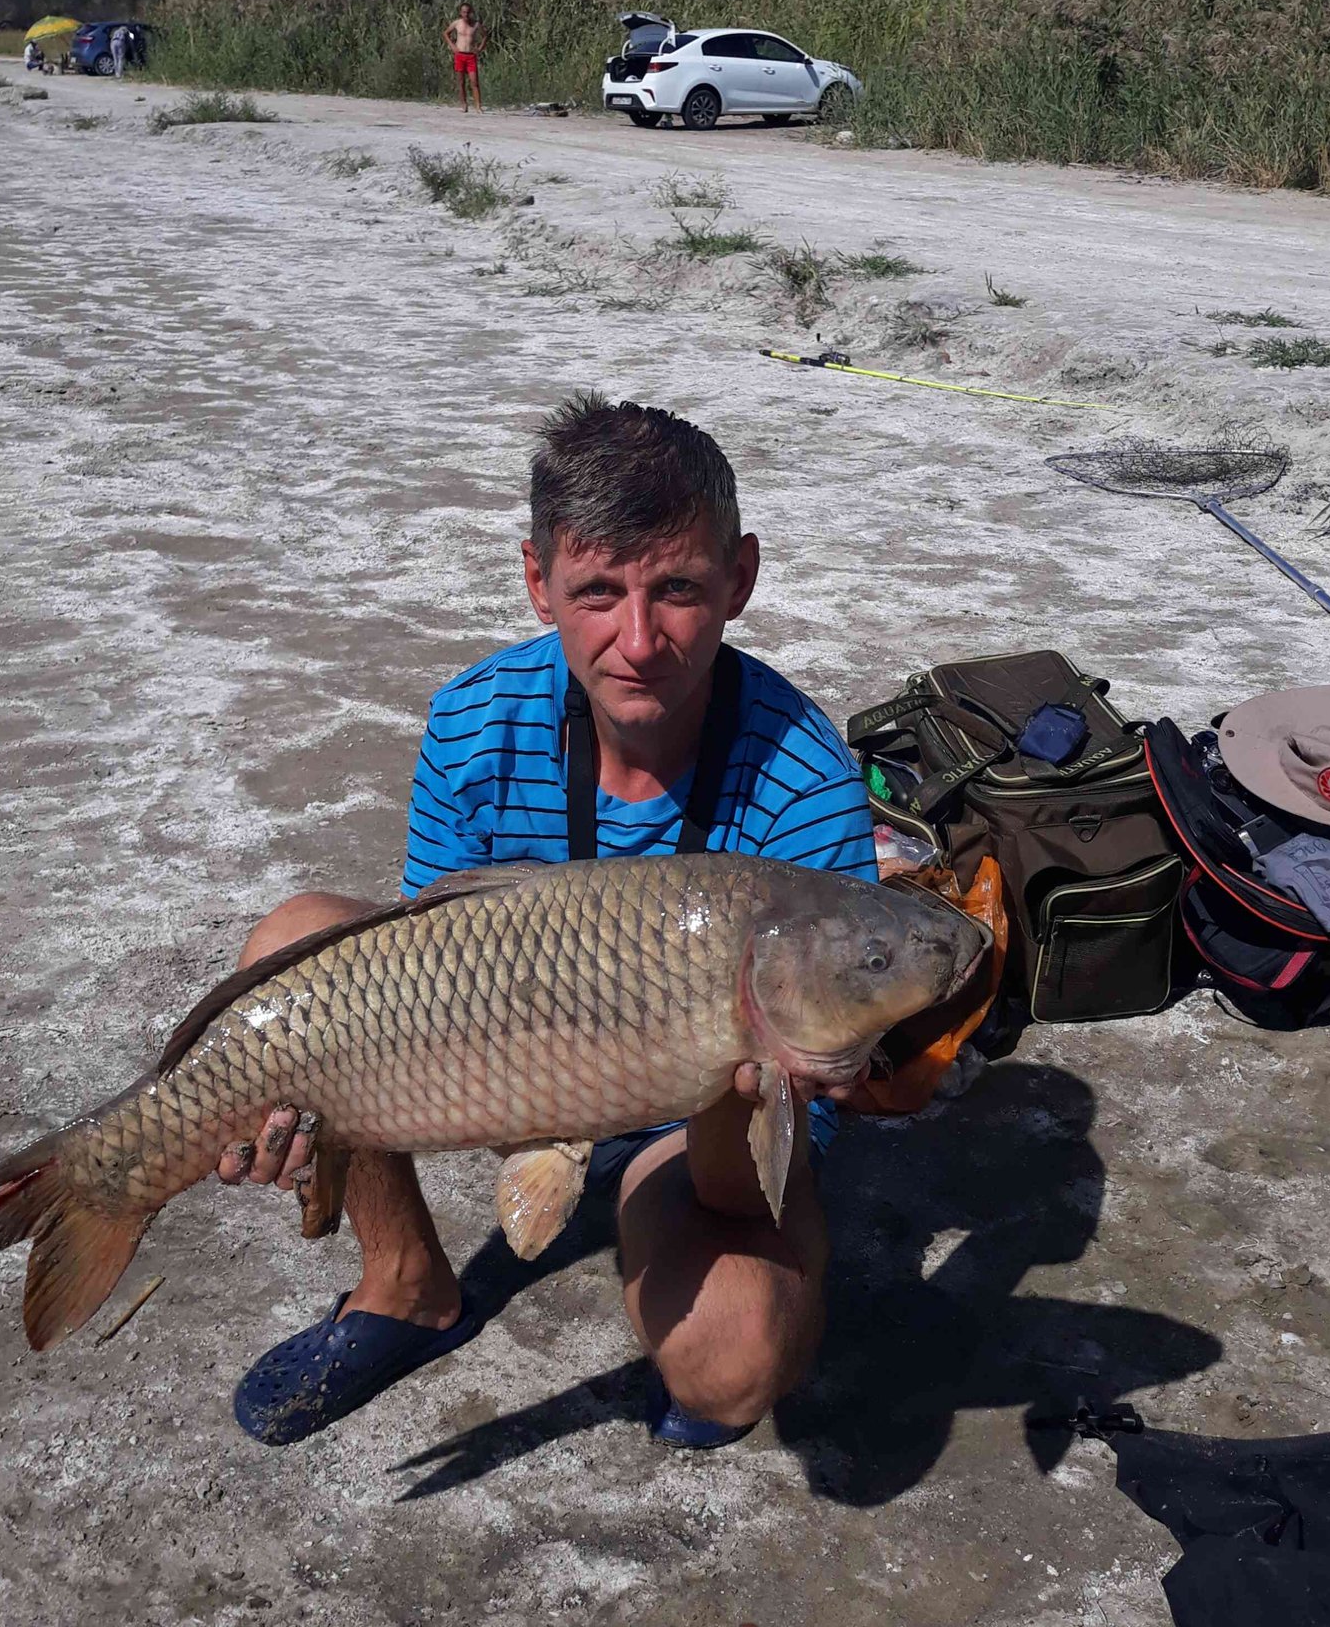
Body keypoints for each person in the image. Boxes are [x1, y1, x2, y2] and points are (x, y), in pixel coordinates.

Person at [225, 394, 880, 1450]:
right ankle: (406, 1287)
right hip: (512, 1052)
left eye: (677, 590)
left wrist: (749, 1080)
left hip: (701, 1114)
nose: (638, 640)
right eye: (596, 592)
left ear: (739, 579)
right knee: (292, 952)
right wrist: (316, 1109)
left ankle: (656, 1232)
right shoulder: (474, 718)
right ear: (538, 583)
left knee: (729, 1366)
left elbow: (771, 1148)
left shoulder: (805, 775)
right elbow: (423, 968)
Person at [442, 1, 487, 112]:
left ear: (471, 12)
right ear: (460, 13)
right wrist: (452, 45)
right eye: (463, 12)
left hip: (471, 55)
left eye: (467, 12)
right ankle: (463, 104)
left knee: (474, 81)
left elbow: (485, 35)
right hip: (460, 54)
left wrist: (480, 48)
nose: (465, 14)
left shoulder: (476, 24)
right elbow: (445, 33)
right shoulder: (457, 23)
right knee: (461, 81)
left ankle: (478, 105)